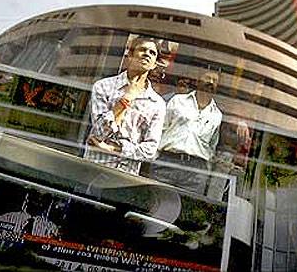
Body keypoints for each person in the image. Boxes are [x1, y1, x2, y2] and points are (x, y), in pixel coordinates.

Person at [84, 36, 166, 175]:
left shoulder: (157, 103)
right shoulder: (104, 86)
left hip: (126, 176)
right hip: (95, 167)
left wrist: (116, 148)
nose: (147, 54)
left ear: (154, 64)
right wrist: (125, 100)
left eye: (152, 53)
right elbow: (99, 132)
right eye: (142, 50)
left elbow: (150, 150)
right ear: (130, 55)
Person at [150, 69, 223, 195]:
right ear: (198, 80)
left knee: (185, 209)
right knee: (154, 202)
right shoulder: (177, 101)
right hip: (167, 161)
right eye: (207, 78)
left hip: (196, 171)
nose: (211, 82)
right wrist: (155, 157)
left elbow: (212, 146)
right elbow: (160, 128)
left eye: (215, 81)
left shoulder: (217, 115)